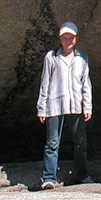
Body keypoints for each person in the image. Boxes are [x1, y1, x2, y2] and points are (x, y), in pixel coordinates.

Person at [36, 21, 93, 189]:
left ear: (76, 38)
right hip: (54, 104)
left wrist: (87, 106)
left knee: (80, 143)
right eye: (65, 37)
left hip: (76, 104)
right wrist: (41, 107)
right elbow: (45, 82)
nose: (68, 40)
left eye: (71, 37)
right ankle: (48, 177)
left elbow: (85, 83)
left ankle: (82, 175)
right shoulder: (52, 57)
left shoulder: (82, 58)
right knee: (52, 143)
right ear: (60, 39)